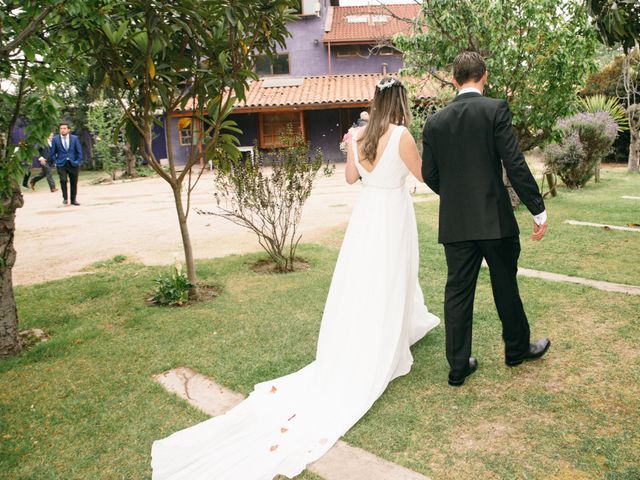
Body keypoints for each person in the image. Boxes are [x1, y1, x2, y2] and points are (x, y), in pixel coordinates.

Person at [151, 77, 439, 479]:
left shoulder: (357, 135)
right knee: (392, 275)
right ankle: (386, 339)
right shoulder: (403, 134)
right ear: (401, 103)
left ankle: (378, 329)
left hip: (366, 218)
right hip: (391, 215)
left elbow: (351, 180)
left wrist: (355, 151)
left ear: (375, 101)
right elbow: (424, 176)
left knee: (365, 280)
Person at [421, 51, 550, 387]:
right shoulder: (495, 110)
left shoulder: (434, 123)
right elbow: (515, 163)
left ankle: (458, 367)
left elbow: (430, 174)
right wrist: (537, 208)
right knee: (505, 283)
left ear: (454, 79)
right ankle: (516, 350)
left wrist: (455, 198)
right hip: (494, 220)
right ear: (484, 76)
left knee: (458, 293)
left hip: (456, 223)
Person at [50, 122, 83, 206]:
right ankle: (65, 198)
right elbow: (52, 152)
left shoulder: (75, 138)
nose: (63, 130)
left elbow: (79, 151)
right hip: (61, 164)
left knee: (73, 182)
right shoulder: (55, 139)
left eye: (64, 128)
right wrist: (56, 162)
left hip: (73, 163)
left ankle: (73, 200)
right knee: (63, 180)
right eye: (61, 128)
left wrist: (78, 161)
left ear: (68, 129)